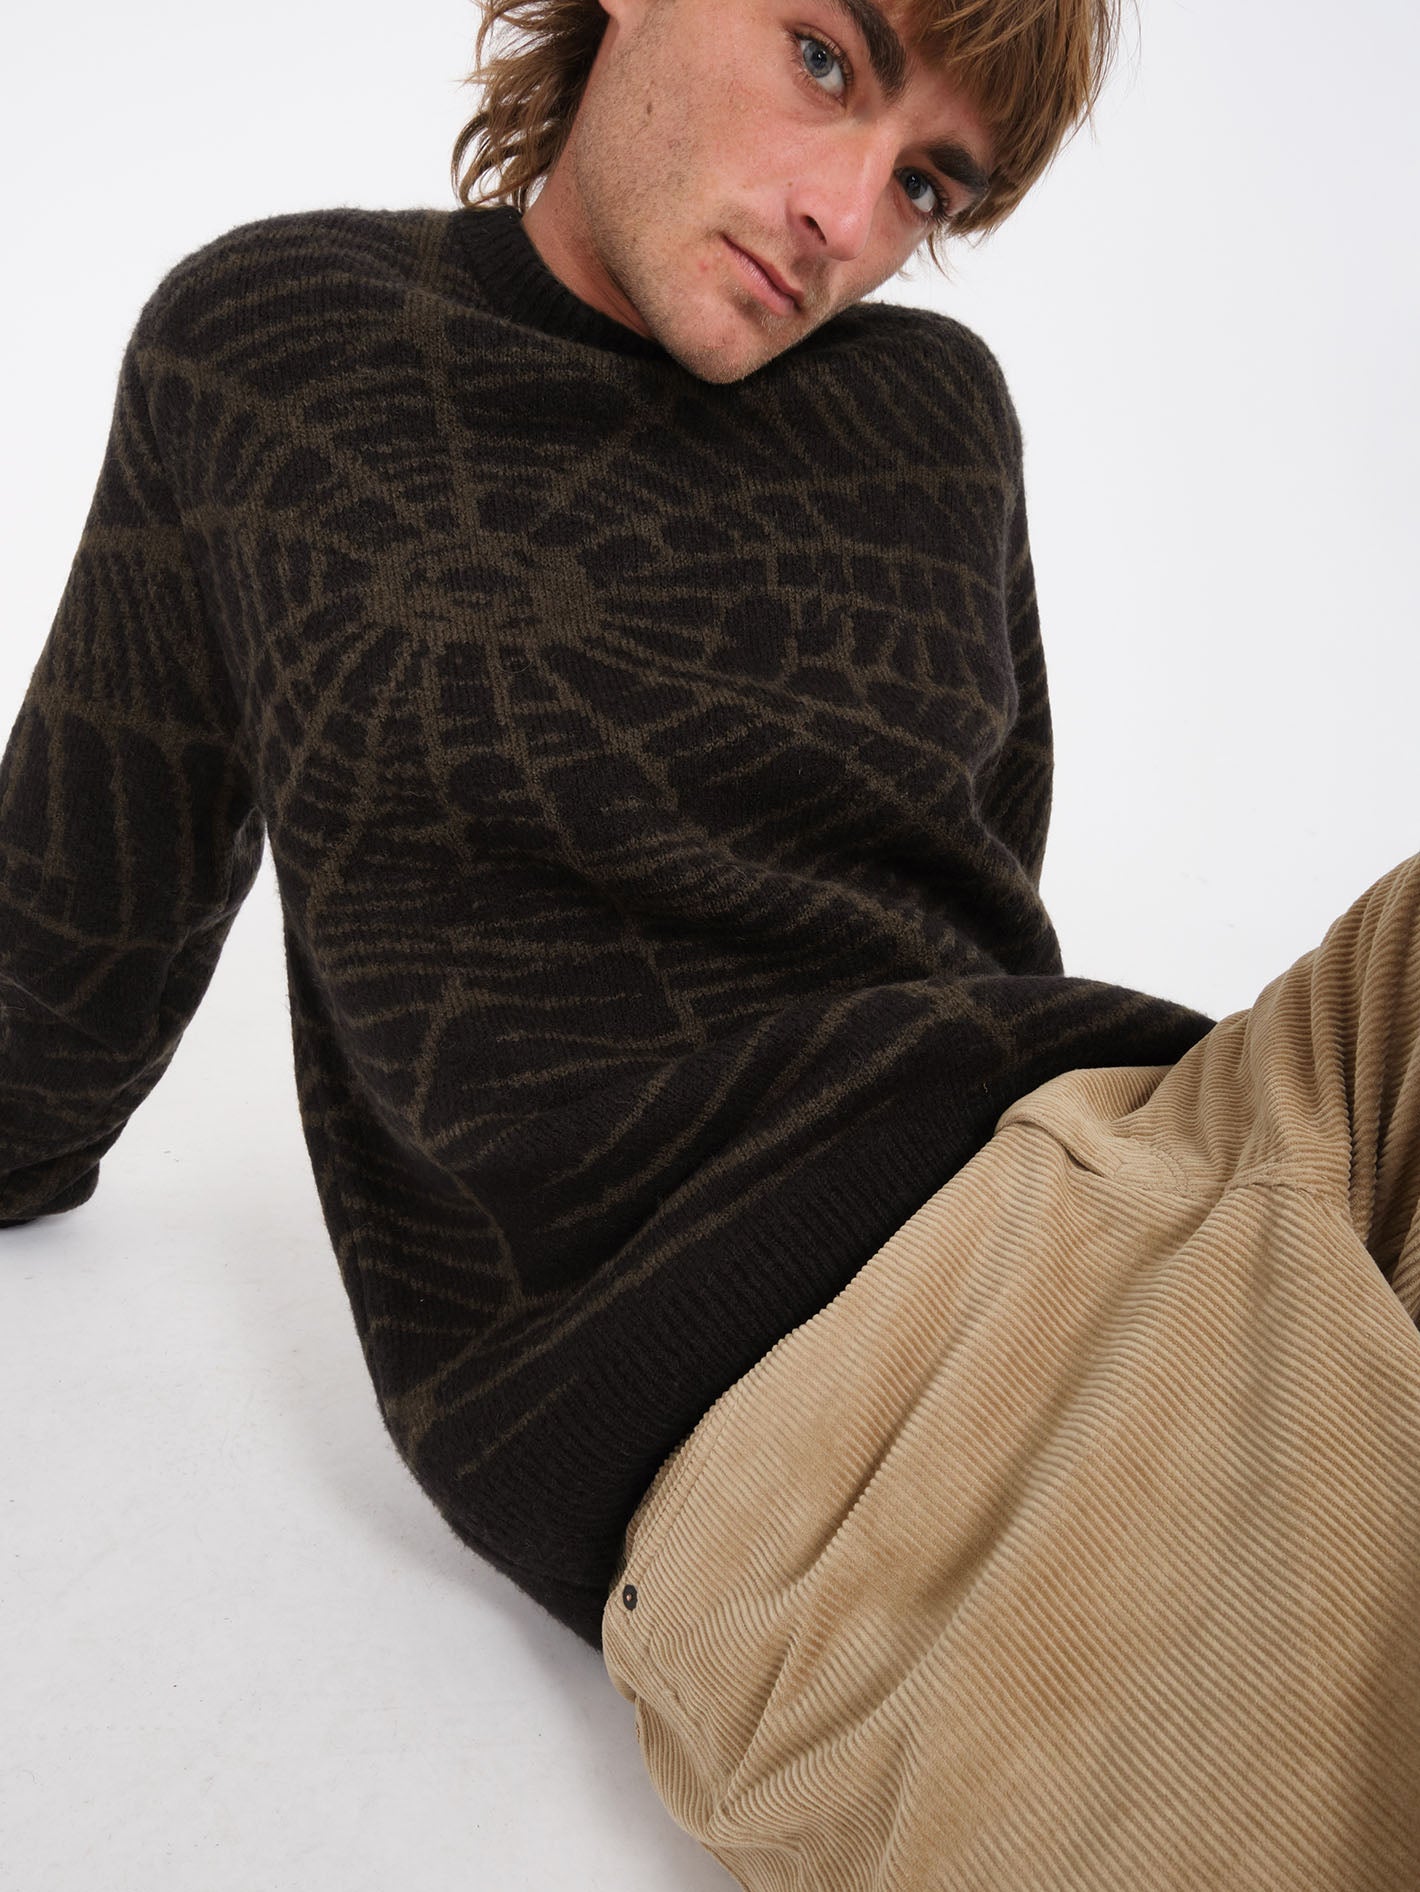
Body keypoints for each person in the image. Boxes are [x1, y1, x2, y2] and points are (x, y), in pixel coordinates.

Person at [0, 0, 1415, 1885]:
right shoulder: (271, 351)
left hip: (1195, 1140)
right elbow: (48, 991)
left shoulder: (937, 414)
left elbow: (983, 902)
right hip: (821, 1450)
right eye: (828, 58)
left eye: (930, 184)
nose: (849, 214)